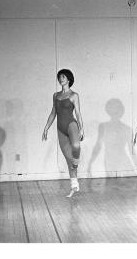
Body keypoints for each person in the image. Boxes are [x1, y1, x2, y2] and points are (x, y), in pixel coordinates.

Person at [42, 69, 84, 198]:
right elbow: (53, 112)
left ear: (69, 79)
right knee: (69, 160)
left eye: (63, 77)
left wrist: (82, 128)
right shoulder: (56, 95)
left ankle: (76, 163)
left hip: (71, 125)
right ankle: (74, 185)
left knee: (76, 146)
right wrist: (46, 127)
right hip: (60, 128)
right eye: (59, 77)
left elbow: (77, 113)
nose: (61, 79)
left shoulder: (74, 95)